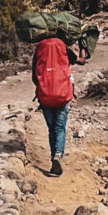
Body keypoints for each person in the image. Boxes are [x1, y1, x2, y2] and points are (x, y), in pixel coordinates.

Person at [32, 28, 76, 176]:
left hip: (45, 96)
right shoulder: (63, 46)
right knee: (60, 128)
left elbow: (34, 76)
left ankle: (53, 159)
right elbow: (80, 60)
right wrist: (85, 47)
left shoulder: (40, 48)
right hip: (62, 94)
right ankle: (58, 155)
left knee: (52, 129)